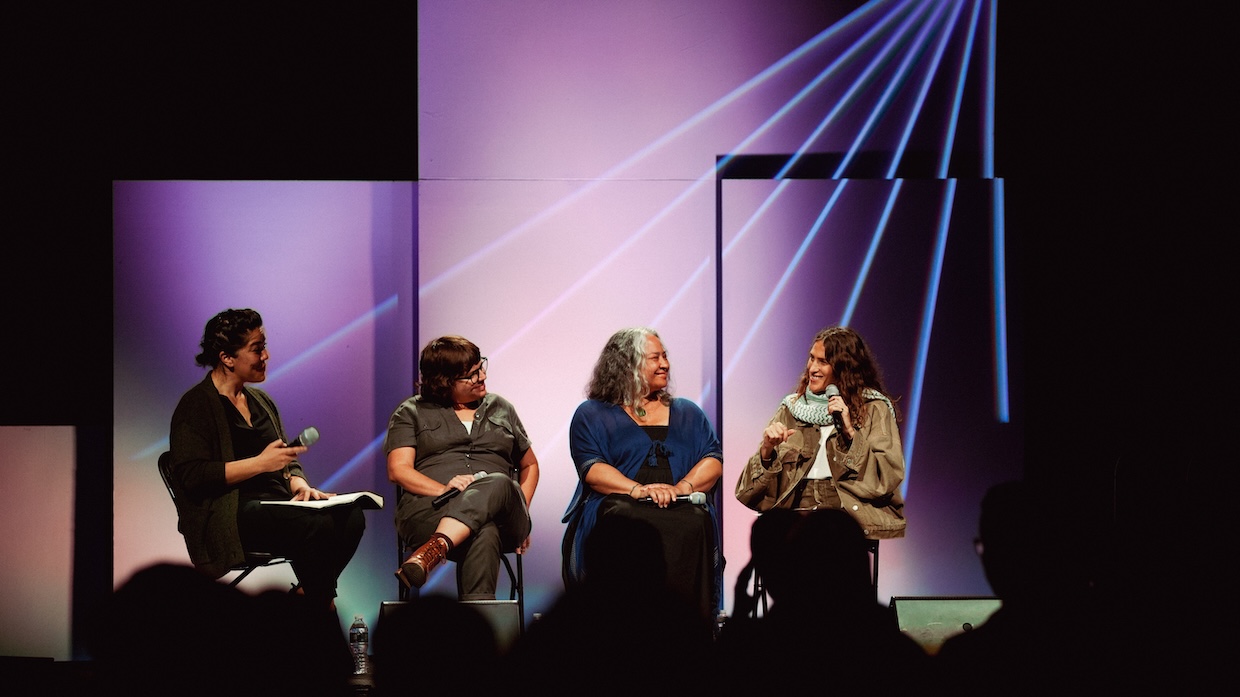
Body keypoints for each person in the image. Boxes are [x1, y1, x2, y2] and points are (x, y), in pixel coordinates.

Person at [167, 308, 366, 610]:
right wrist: (259, 464)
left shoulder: (261, 401)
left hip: (277, 508)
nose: (267, 355)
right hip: (231, 515)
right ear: (227, 357)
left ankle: (310, 595)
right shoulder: (196, 406)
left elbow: (285, 459)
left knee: (351, 517)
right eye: (257, 349)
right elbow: (193, 476)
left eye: (264, 346)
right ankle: (321, 605)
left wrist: (299, 485)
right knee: (314, 526)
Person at [562, 326, 723, 620]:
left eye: (665, 356)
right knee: (622, 516)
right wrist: (640, 490)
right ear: (627, 366)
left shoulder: (688, 412)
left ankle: (688, 624)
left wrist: (683, 487)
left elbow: (712, 459)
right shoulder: (592, 414)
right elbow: (592, 468)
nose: (665, 364)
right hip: (620, 504)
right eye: (654, 358)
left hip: (680, 504)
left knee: (696, 519)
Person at [735, 325, 906, 575]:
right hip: (796, 509)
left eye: (823, 362)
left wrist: (850, 432)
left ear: (844, 368)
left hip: (844, 511)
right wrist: (767, 451)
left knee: (826, 541)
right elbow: (748, 494)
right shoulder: (791, 408)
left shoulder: (874, 409)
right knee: (767, 532)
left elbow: (885, 479)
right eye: (811, 358)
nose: (812, 368)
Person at [385, 336, 539, 600]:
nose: (482, 376)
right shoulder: (411, 411)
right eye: (471, 375)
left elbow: (530, 465)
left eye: (481, 367)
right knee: (484, 530)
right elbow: (398, 470)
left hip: (504, 515)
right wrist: (442, 488)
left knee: (499, 482)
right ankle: (478, 634)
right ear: (444, 383)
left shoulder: (501, 408)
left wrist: (517, 506)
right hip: (431, 512)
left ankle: (434, 549)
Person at [712, 509, 929, 693]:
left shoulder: (760, 652)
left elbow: (718, 676)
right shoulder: (898, 655)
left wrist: (739, 621)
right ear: (862, 566)